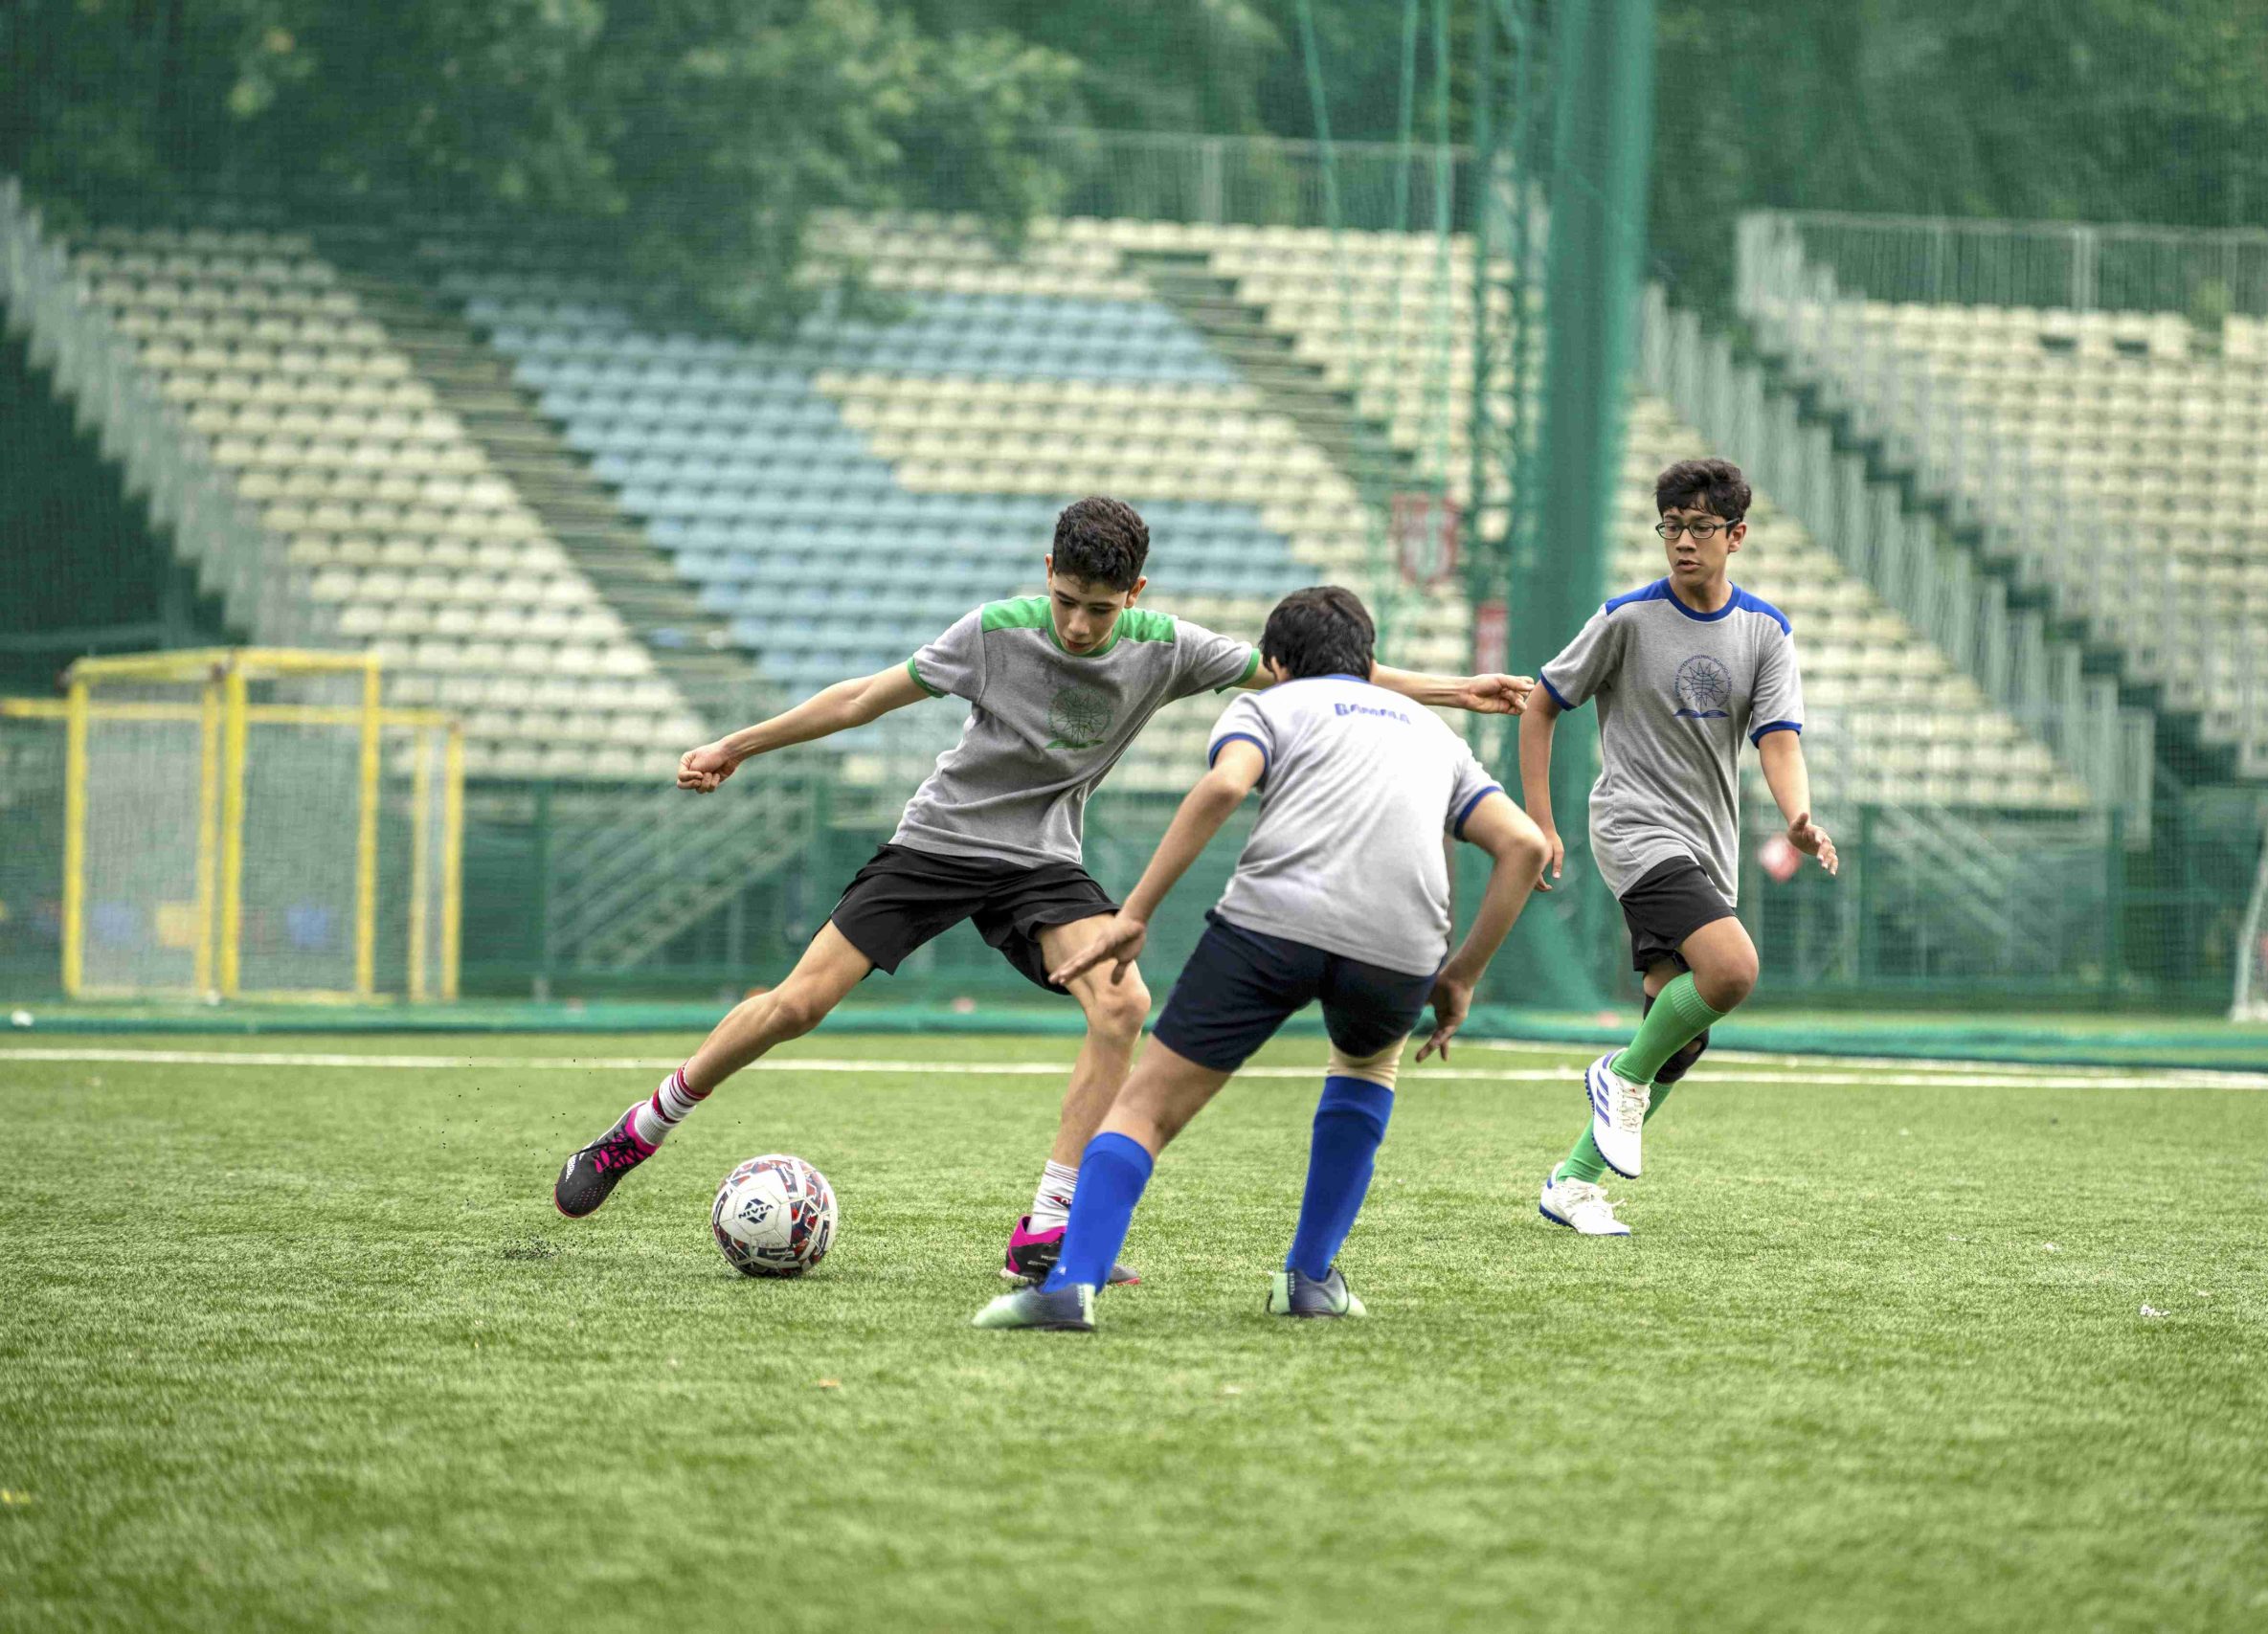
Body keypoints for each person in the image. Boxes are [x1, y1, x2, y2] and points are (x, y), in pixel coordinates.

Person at [550, 498, 1535, 1284]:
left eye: (1098, 609)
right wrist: (737, 745)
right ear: (1047, 577)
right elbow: (860, 697)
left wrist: (1457, 689)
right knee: (795, 1005)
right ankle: (641, 1130)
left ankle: (1049, 1224)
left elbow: (1320, 673)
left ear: (1134, 594)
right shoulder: (993, 632)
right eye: (1065, 598)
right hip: (938, 844)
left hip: (1040, 866)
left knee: (1123, 1000)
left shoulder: (1170, 646)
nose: (1075, 624)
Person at [972, 585, 1550, 1331]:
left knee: (1145, 1106)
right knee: (1366, 1070)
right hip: (1401, 943)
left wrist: (1135, 911)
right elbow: (1525, 845)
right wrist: (1462, 973)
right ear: (1369, 661)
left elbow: (1225, 783)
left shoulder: (1266, 707)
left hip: (1274, 923)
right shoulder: (1434, 731)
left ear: (1276, 665)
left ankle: (1069, 1287)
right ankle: (1309, 1280)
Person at [1521, 459, 1839, 1238]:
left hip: (1708, 844)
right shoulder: (1625, 618)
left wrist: (1798, 815)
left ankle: (1572, 1181)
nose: (1683, 540)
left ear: (1736, 535)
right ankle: (1617, 1077)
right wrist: (1539, 823)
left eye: (1700, 526)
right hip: (1634, 827)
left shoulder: (1766, 630)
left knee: (1682, 1032)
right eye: (1671, 524)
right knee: (1732, 969)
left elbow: (1780, 740)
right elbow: (1540, 704)